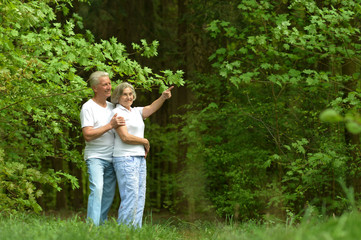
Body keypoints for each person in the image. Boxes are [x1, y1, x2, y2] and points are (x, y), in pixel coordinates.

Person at [110, 82, 174, 228]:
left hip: (139, 158)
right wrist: (144, 141)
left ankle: (135, 232)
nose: (128, 97)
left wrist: (163, 97)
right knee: (130, 197)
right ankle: (123, 233)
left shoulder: (135, 111)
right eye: (125, 94)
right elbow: (125, 137)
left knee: (139, 197)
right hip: (125, 158)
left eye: (130, 94)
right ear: (118, 96)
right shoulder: (117, 113)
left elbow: (151, 108)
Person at [80, 71, 125, 226]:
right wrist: (109, 125)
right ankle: (91, 227)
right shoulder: (88, 107)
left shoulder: (113, 107)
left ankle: (100, 223)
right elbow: (87, 134)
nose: (109, 87)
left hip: (113, 157)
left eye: (109, 83)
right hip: (95, 157)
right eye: (104, 84)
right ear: (95, 88)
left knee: (108, 194)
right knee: (97, 189)